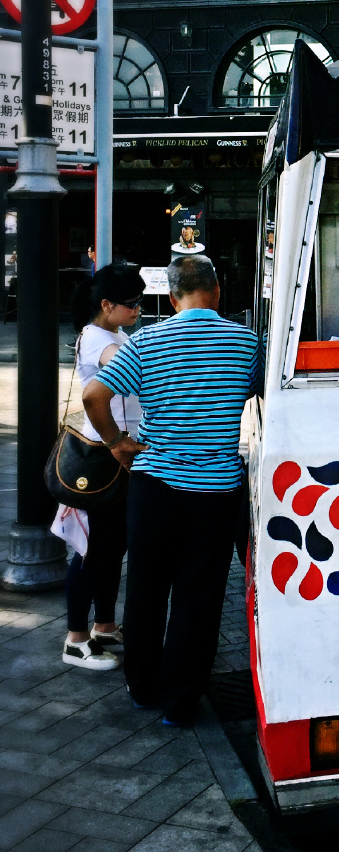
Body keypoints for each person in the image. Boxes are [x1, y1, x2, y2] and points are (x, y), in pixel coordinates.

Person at [82, 255, 260, 726]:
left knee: (145, 587)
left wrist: (118, 443)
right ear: (216, 292)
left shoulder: (145, 342)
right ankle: (180, 703)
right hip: (217, 489)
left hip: (155, 486)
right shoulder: (247, 343)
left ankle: (142, 688)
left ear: (172, 296)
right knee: (198, 596)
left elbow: (93, 396)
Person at [61, 263, 145, 671]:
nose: (138, 310)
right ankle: (76, 639)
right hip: (99, 457)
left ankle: (105, 625)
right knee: (90, 549)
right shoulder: (97, 339)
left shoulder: (114, 331)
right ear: (107, 304)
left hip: (117, 459)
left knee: (112, 547)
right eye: (131, 304)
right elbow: (130, 366)